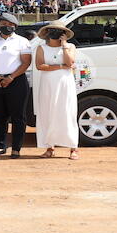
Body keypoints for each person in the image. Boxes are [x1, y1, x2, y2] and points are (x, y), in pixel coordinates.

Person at [0, 13, 32, 158]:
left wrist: (11, 77)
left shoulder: (22, 41)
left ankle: (16, 148)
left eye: (10, 25)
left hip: (16, 81)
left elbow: (26, 62)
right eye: (3, 24)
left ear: (15, 26)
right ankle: (0, 146)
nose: (6, 27)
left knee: (18, 116)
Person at [33, 24, 80, 160]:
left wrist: (64, 44)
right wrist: (60, 66)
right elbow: (40, 65)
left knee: (67, 113)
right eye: (52, 31)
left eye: (59, 31)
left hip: (65, 84)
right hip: (48, 84)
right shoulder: (41, 48)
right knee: (48, 113)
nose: (55, 33)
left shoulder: (70, 47)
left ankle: (73, 148)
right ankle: (50, 148)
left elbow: (70, 63)